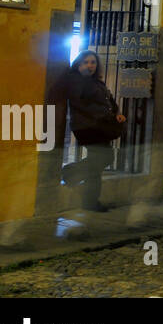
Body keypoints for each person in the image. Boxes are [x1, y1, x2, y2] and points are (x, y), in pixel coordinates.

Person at [54, 51, 125, 213]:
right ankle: (70, 173)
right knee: (105, 157)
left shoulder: (96, 82)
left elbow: (110, 101)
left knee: (98, 163)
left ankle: (90, 200)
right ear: (79, 64)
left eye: (93, 62)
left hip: (98, 125)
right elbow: (79, 103)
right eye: (86, 62)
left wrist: (116, 113)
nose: (90, 65)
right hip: (87, 127)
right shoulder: (76, 81)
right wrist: (104, 115)